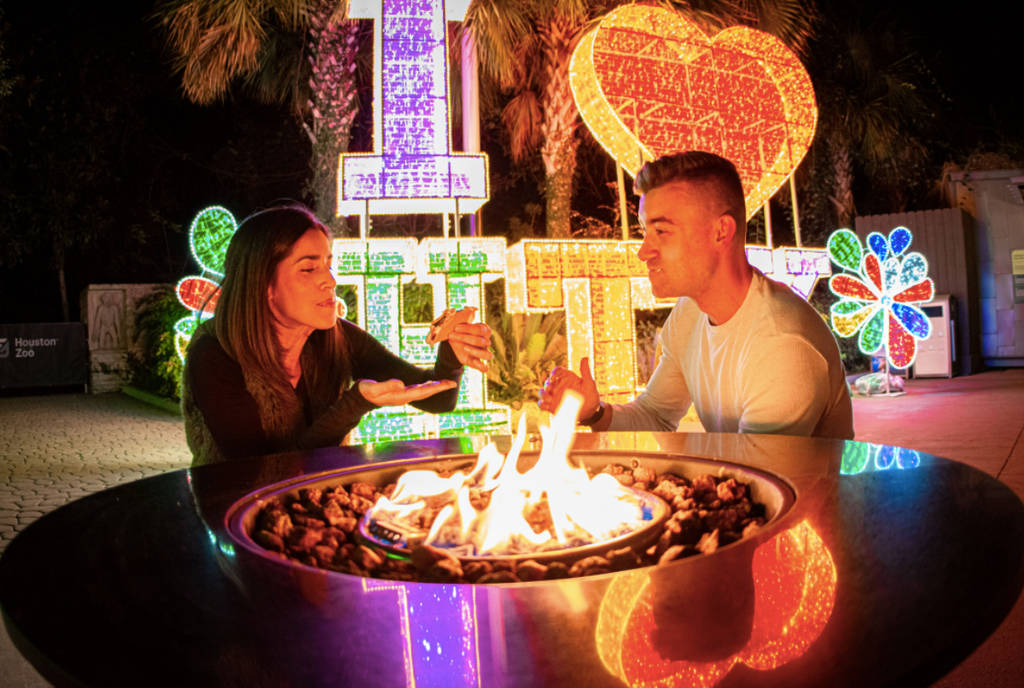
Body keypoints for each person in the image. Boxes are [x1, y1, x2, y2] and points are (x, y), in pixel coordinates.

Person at [539, 151, 853, 439]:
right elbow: (656, 416)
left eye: (661, 231)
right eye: (644, 231)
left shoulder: (782, 344)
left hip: (805, 501)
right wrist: (592, 412)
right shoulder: (690, 313)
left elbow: (756, 481)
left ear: (721, 231)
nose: (644, 251)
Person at [182, 203, 492, 466]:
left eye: (329, 266)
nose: (329, 281)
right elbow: (265, 473)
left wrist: (452, 354)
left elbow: (438, 400)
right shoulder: (215, 354)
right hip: (234, 517)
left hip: (317, 507)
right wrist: (354, 404)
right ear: (264, 286)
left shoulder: (333, 337)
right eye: (308, 269)